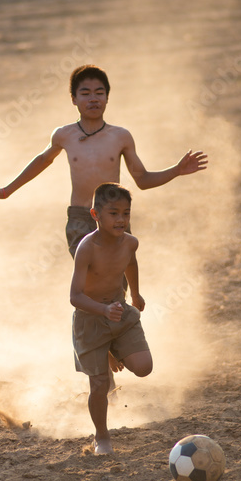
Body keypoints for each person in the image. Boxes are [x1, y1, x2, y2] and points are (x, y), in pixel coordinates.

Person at [0, 64, 208, 258]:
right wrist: (5, 191)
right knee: (89, 282)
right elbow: (42, 161)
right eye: (85, 93)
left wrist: (176, 170)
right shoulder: (64, 135)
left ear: (107, 97)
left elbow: (143, 180)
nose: (93, 99)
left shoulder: (120, 137)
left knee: (115, 284)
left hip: (115, 216)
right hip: (80, 218)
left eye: (99, 93)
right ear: (74, 99)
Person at [70, 182, 152, 455]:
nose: (121, 220)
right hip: (89, 319)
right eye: (114, 213)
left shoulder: (131, 242)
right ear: (95, 215)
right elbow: (75, 296)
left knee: (143, 367)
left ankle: (112, 348)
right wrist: (102, 311)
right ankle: (101, 435)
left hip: (119, 312)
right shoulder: (86, 248)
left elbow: (130, 262)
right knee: (100, 384)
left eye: (126, 213)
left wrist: (136, 294)